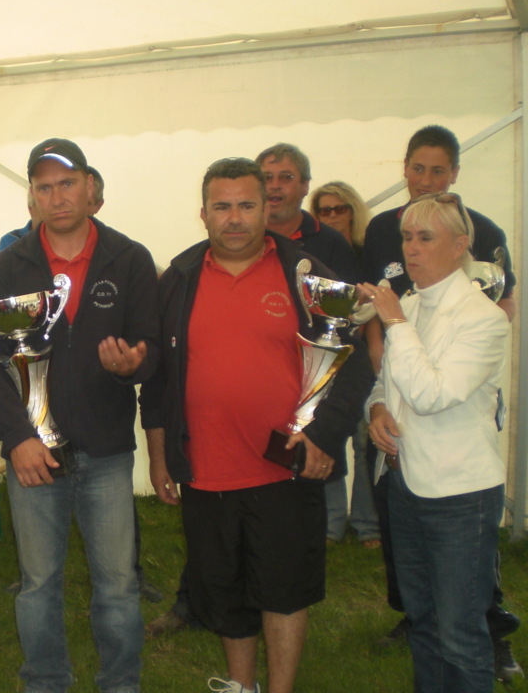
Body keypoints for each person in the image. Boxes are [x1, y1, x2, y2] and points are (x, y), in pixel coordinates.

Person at [140, 158, 372, 693]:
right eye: (222, 207)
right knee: (224, 592)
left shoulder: (306, 274)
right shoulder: (177, 281)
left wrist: (325, 434)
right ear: (203, 214)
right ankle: (241, 686)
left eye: (247, 205)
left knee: (284, 591)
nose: (235, 218)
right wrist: (158, 457)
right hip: (206, 469)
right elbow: (158, 379)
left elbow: (354, 358)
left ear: (267, 208)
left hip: (284, 469)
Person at [0, 138, 159, 693]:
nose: (57, 197)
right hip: (35, 456)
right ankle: (46, 682)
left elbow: (152, 346)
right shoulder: (8, 266)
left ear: (89, 188)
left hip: (105, 451)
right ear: (32, 197)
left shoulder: (129, 259)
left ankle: (121, 683)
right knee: (38, 584)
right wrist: (17, 439)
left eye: (67, 184)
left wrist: (133, 366)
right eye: (44, 187)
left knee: (117, 586)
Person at [361, 124, 521, 681]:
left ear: (460, 248)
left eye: (426, 239)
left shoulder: (481, 318)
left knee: (459, 633)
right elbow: (390, 383)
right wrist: (377, 412)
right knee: (424, 624)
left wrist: (395, 323)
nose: (411, 248)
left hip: (458, 493)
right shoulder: (410, 302)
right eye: (407, 237)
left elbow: (430, 396)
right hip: (405, 482)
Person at [309, 182, 380, 546]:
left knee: (368, 441)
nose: (333, 216)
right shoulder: (317, 254)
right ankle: (332, 524)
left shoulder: (367, 253)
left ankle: (368, 525)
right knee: (330, 434)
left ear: (353, 210)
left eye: (340, 209)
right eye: (324, 210)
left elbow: (374, 310)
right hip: (331, 353)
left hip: (368, 355)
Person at [255, 143, 360, 284]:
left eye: (286, 177)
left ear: (305, 185)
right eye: (267, 178)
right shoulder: (240, 238)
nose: (275, 186)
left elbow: (347, 302)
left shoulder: (332, 244)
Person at [0, 165, 105, 253]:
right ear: (31, 208)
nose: (57, 205)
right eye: (44, 188)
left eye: (87, 203)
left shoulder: (111, 246)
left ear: (98, 206)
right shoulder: (12, 244)